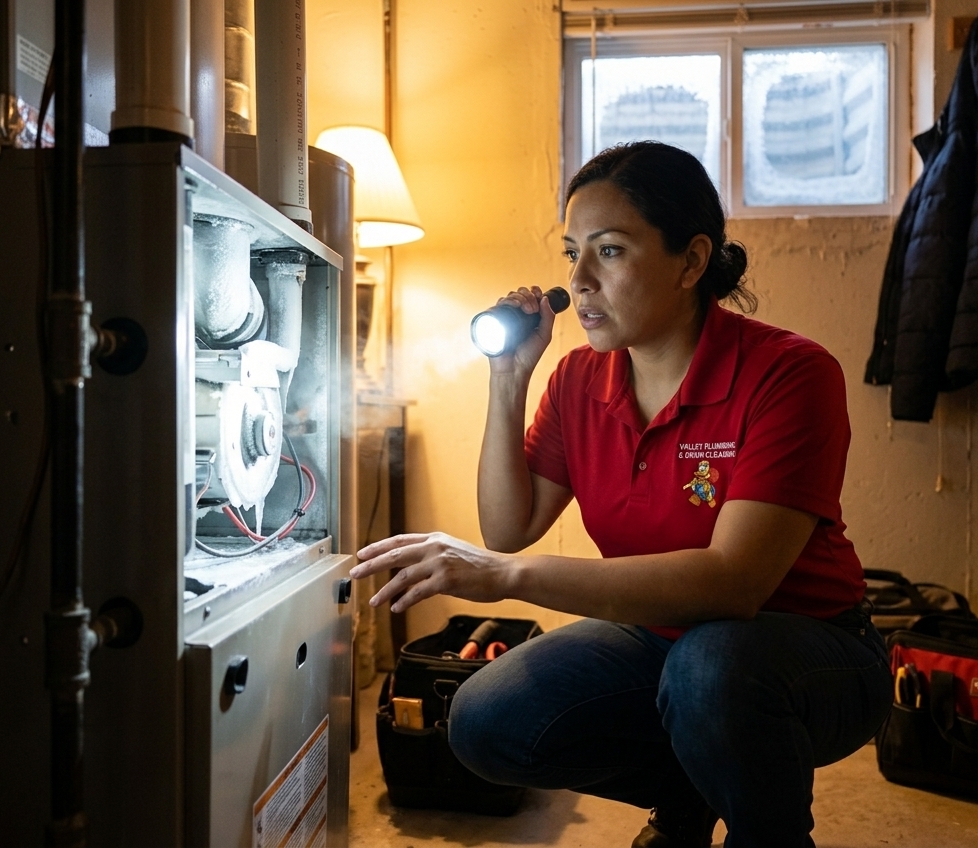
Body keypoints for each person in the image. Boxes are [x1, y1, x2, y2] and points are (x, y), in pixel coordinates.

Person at [349, 141, 893, 848]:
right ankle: (690, 795)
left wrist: (509, 579)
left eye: (608, 252)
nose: (578, 280)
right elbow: (509, 525)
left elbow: (733, 584)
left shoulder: (789, 374)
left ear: (692, 261)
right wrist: (509, 380)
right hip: (661, 637)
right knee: (484, 717)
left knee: (712, 668)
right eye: (573, 251)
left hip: (810, 653)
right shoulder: (580, 379)